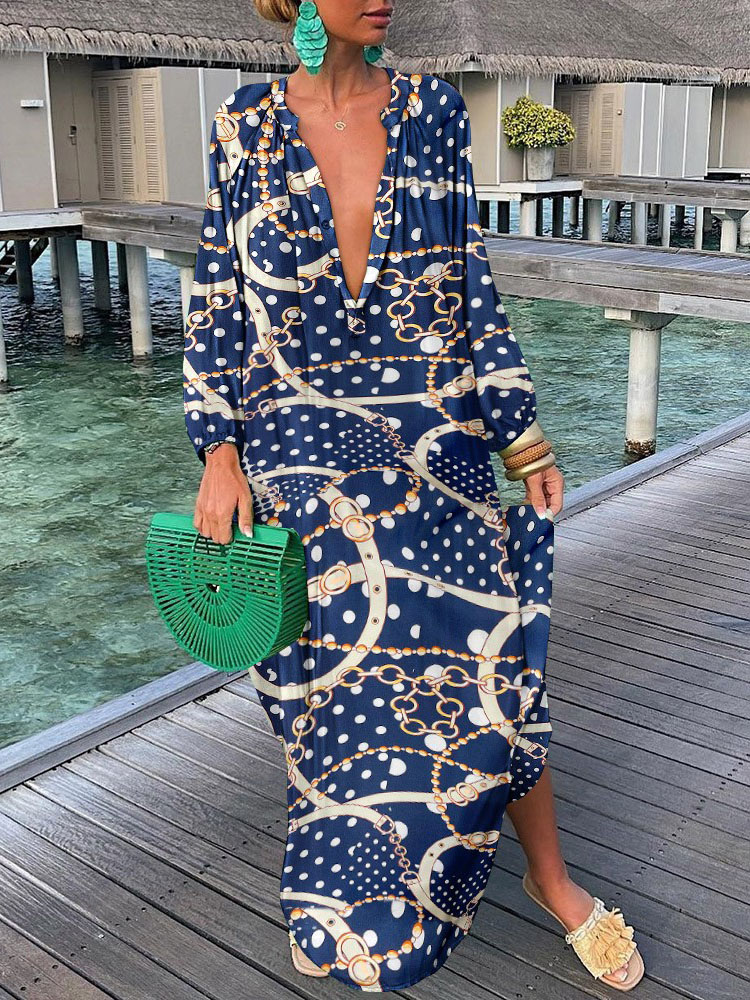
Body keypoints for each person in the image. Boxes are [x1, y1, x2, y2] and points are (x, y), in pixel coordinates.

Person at [183, 0, 644, 991]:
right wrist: (216, 449)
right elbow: (217, 293)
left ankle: (550, 879)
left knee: (497, 660)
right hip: (300, 447)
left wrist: (520, 431)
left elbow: (471, 278)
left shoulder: (432, 110)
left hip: (439, 439)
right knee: (330, 690)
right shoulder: (242, 123)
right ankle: (348, 885)